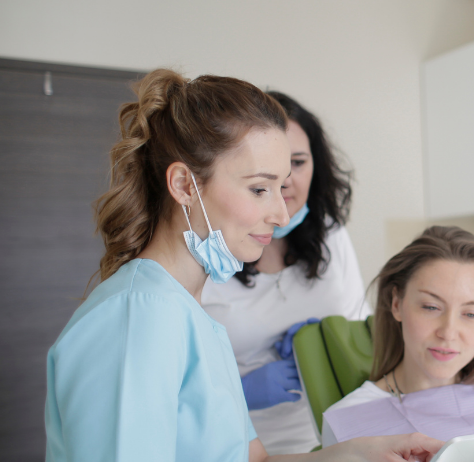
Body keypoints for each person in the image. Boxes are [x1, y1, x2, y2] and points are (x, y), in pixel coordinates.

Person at [44, 69, 442, 462]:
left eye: (281, 186)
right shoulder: (139, 316)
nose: (281, 214)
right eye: (259, 189)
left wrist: (358, 454)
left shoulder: (192, 316)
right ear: (184, 185)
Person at [200, 92, 367, 454]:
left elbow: (361, 323)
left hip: (334, 441)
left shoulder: (331, 234)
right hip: (240, 445)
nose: (285, 180)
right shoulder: (209, 253)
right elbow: (179, 381)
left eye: (298, 162)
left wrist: (328, 339)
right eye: (269, 168)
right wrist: (240, 391)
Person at [320, 226, 474, 446]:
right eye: (431, 307)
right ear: (397, 304)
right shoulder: (349, 422)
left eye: (470, 314)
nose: (448, 332)